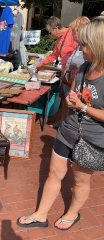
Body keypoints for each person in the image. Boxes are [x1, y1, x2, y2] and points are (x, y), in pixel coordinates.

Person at [17, 17, 104, 231]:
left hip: (91, 139)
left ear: (98, 45)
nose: (80, 48)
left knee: (80, 181)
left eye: (84, 44)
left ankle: (73, 213)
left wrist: (83, 108)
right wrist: (71, 97)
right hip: (68, 130)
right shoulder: (84, 66)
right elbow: (73, 91)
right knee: (54, 173)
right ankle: (40, 214)